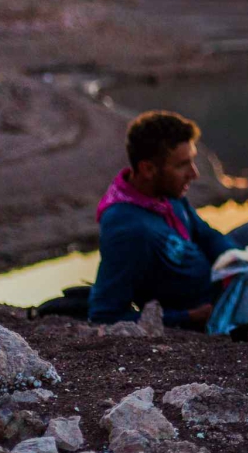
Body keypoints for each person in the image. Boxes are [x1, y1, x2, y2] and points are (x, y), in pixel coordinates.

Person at [88, 111, 235, 327]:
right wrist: (189, 317)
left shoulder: (166, 195)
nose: (194, 174)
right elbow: (105, 315)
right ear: (148, 169)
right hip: (217, 306)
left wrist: (234, 260)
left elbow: (206, 234)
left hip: (224, 278)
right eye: (182, 165)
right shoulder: (128, 230)